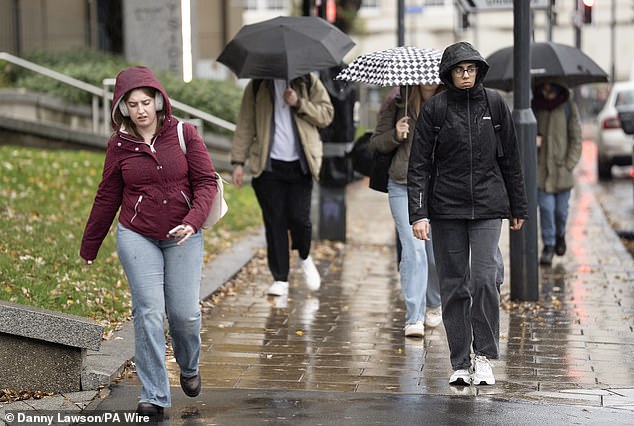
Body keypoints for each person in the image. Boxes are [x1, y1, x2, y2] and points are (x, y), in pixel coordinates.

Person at [80, 66, 217, 416]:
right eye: (133, 104)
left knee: (184, 315)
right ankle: (154, 393)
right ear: (123, 108)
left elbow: (206, 183)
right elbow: (106, 196)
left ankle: (188, 366)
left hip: (183, 235)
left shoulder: (185, 133)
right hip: (137, 234)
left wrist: (192, 220)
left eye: (146, 102)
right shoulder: (119, 146)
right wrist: (90, 245)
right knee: (149, 312)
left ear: (158, 101)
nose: (141, 110)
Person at [407, 42, 528, 386]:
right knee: (454, 284)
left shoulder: (494, 104)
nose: (465, 75)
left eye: (471, 69)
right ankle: (460, 361)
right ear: (448, 73)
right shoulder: (436, 110)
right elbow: (419, 165)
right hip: (446, 208)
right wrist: (418, 213)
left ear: (478, 71)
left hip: (489, 205)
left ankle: (484, 356)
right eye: (459, 70)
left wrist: (518, 206)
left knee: (485, 278)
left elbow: (511, 160)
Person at [231, 74, 334, 297]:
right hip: (268, 167)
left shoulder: (308, 81)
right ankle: (280, 278)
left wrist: (298, 102)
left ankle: (305, 256)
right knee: (275, 222)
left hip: (301, 164)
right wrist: (238, 161)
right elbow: (246, 124)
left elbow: (327, 115)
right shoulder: (258, 85)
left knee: (300, 219)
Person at [369, 83, 443, 338]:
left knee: (434, 254)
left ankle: (434, 301)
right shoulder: (398, 103)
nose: (429, 81)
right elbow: (375, 143)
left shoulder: (448, 103)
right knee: (414, 250)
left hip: (436, 186)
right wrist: (396, 134)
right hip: (402, 184)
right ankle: (414, 316)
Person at [532, 82, 583, 266]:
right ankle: (549, 245)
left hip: (562, 171)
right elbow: (525, 134)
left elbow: (576, 137)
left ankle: (560, 235)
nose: (546, 93)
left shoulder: (568, 106)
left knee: (561, 212)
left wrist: (569, 164)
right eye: (543, 89)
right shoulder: (535, 106)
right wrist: (533, 139)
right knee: (546, 210)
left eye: (549, 89)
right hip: (542, 171)